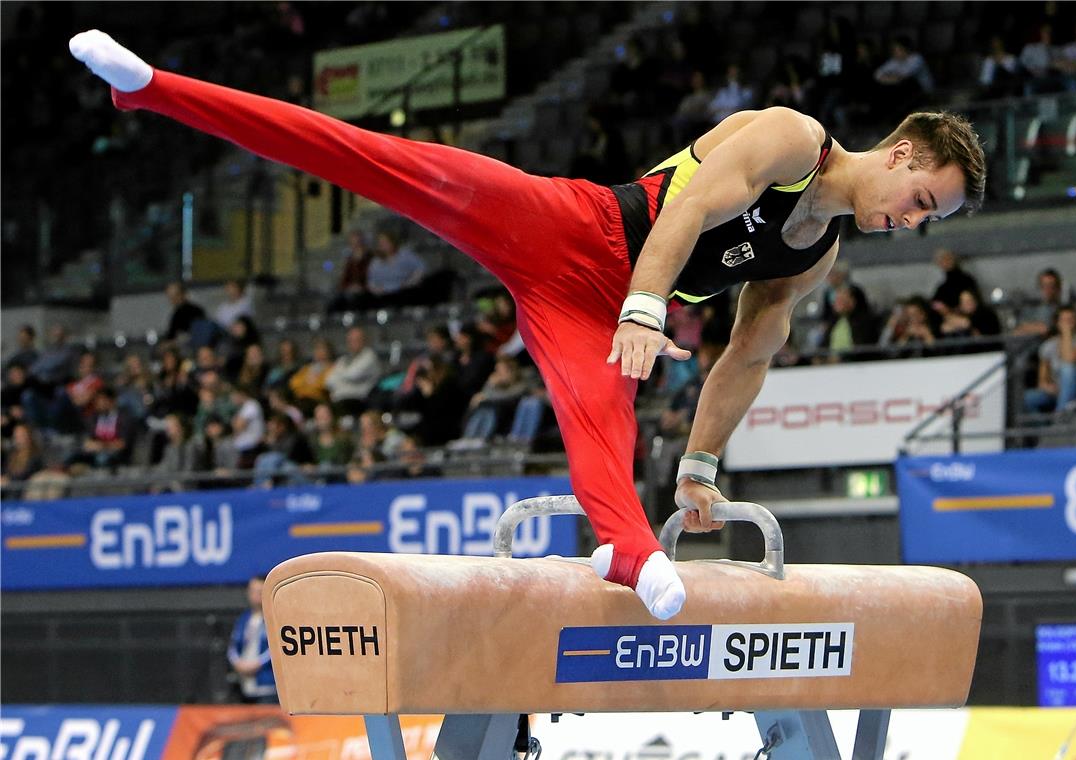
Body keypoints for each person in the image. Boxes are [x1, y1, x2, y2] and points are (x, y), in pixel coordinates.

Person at [71, 31, 984, 619]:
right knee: (380, 161)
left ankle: (629, 550)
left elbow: (749, 353)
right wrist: (644, 305)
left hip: (589, 314)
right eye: (920, 200)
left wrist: (702, 468)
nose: (911, 221)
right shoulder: (792, 135)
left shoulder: (816, 255)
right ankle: (150, 89)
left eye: (928, 221)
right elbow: (688, 209)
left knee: (606, 431)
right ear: (901, 152)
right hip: (573, 229)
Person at [1023, 305, 1076, 414]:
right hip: (1056, 390)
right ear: (1057, 323)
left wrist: (1067, 333)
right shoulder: (1048, 346)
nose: (1068, 323)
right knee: (1027, 398)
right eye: (1064, 320)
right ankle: (1042, 427)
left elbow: (1069, 359)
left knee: (1067, 369)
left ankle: (1059, 416)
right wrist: (1049, 388)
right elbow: (1042, 381)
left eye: (1071, 319)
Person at [227, 575, 277, 704]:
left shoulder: (274, 618)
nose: (255, 596)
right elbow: (233, 647)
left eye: (259, 592)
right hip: (245, 685)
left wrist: (258, 663)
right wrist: (238, 664)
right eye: (252, 591)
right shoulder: (243, 619)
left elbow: (277, 647)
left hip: (267, 685)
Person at [930, 248, 979, 318]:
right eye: (942, 261)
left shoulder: (966, 280)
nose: (946, 262)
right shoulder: (942, 287)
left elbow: (974, 301)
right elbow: (934, 303)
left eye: (948, 259)